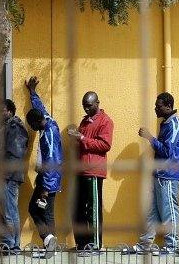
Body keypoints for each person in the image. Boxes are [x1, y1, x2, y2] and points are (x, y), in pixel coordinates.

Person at [128, 92, 179, 256]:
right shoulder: (166, 123)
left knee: (169, 211)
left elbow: (168, 151)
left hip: (169, 175)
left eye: (158, 106)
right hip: (159, 174)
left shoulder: (174, 124)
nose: (155, 109)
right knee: (151, 211)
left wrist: (150, 138)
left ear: (168, 106)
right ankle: (145, 243)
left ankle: (172, 245)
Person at [68, 91, 114, 256]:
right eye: (84, 106)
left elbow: (105, 145)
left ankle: (95, 245)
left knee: (92, 210)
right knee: (78, 209)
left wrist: (81, 138)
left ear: (97, 103)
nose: (86, 109)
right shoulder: (84, 122)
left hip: (93, 172)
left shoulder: (105, 121)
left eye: (89, 105)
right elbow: (83, 142)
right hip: (80, 171)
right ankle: (82, 244)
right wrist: (76, 137)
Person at [25, 77, 63, 259]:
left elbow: (52, 161)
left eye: (31, 126)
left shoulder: (49, 134)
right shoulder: (47, 120)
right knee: (41, 210)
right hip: (47, 177)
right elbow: (39, 108)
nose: (32, 129)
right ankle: (49, 243)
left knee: (40, 210)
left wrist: (46, 188)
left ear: (35, 124)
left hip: (50, 178)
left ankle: (50, 244)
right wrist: (32, 92)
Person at [0, 99, 28, 255]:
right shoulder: (4, 127)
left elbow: (16, 154)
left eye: (2, 110)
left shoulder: (16, 128)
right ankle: (10, 243)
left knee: (10, 212)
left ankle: (13, 246)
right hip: (4, 176)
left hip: (9, 176)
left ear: (10, 111)